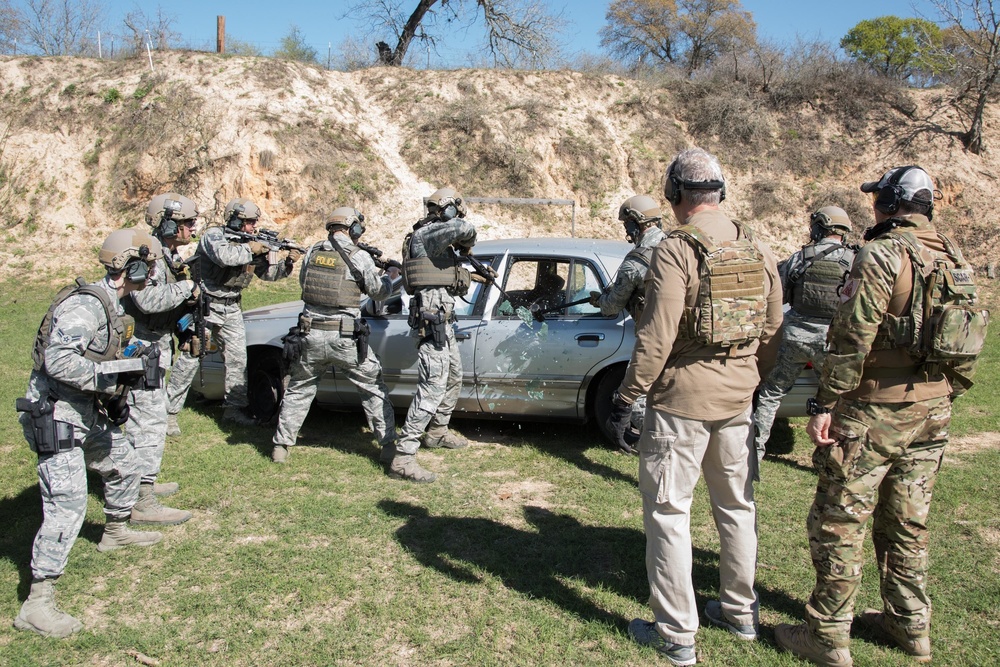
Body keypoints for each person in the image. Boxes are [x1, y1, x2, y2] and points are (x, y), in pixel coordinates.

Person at [775, 166, 987, 667]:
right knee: (907, 522)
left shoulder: (880, 254)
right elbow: (968, 339)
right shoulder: (954, 257)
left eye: (877, 200)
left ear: (889, 204)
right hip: (932, 409)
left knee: (839, 520)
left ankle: (827, 636)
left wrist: (826, 404)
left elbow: (852, 339)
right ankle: (910, 625)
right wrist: (945, 392)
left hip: (872, 410)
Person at [611, 148, 783, 665]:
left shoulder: (674, 249)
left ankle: (677, 635)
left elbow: (656, 338)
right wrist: (750, 377)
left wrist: (626, 397)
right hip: (738, 400)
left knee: (668, 513)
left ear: (677, 195)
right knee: (736, 507)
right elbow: (774, 329)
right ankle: (740, 611)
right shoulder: (757, 245)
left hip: (681, 403)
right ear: (720, 193)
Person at [14, 229, 167, 638]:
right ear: (130, 267)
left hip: (82, 410)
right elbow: (58, 361)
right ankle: (38, 601)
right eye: (147, 267)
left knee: (125, 462)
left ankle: (115, 532)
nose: (152, 275)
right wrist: (114, 375)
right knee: (67, 504)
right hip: (56, 414)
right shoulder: (86, 306)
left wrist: (132, 361)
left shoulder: (111, 306)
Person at [271, 207, 400, 464]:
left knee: (299, 389)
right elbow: (377, 292)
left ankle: (281, 447)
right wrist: (390, 277)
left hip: (309, 334)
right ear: (353, 228)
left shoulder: (312, 252)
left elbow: (305, 285)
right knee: (373, 388)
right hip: (344, 338)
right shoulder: (359, 255)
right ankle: (388, 446)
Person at [751, 206, 856, 464]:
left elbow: (779, 295)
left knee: (771, 392)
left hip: (794, 337)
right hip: (830, 341)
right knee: (836, 400)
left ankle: (754, 452)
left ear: (819, 227)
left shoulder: (801, 258)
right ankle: (830, 458)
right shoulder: (856, 262)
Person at [121, 194, 201, 526]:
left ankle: (143, 484)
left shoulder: (164, 253)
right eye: (186, 222)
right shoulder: (147, 254)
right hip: (142, 346)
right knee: (149, 423)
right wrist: (189, 290)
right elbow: (149, 300)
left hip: (157, 343)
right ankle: (142, 501)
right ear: (167, 222)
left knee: (144, 421)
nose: (191, 228)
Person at [390, 187, 478, 483]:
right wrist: (467, 243)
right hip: (432, 321)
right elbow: (466, 229)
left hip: (443, 321)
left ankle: (437, 432)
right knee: (433, 386)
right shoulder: (427, 233)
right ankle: (404, 457)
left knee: (454, 376)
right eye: (456, 208)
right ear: (446, 208)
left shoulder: (436, 239)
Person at [188, 197, 301, 425]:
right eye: (249, 222)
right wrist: (251, 247)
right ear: (236, 221)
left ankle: (234, 409)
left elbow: (269, 274)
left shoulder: (250, 243)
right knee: (191, 357)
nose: (253, 227)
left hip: (231, 306)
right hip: (207, 305)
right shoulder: (214, 236)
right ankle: (170, 409)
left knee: (237, 361)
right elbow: (225, 257)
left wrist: (287, 262)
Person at [589, 194, 666, 453]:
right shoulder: (677, 247)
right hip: (683, 335)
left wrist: (600, 300)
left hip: (652, 336)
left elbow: (612, 307)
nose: (626, 231)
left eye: (626, 225)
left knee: (641, 394)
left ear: (636, 222)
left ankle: (653, 445)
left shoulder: (635, 262)